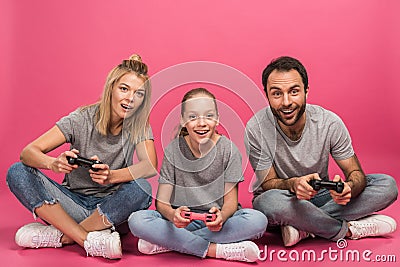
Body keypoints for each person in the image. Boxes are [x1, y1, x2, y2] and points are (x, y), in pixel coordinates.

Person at [6, 54, 157, 259]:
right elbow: (28, 153)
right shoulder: (81, 118)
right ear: (111, 88)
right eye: (124, 89)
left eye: (138, 94)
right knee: (17, 171)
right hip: (70, 204)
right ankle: (88, 238)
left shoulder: (138, 125)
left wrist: (111, 176)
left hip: (110, 210)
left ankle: (63, 236)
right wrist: (54, 163)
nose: (130, 98)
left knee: (143, 188)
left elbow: (149, 166)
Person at [245, 56, 398, 247]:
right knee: (267, 203)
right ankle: (348, 229)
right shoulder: (255, 128)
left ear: (306, 91)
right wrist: (294, 184)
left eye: (294, 92)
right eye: (277, 94)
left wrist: (349, 187)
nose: (286, 102)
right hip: (284, 201)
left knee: (387, 185)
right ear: (266, 95)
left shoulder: (329, 122)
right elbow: (267, 184)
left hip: (321, 197)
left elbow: (356, 173)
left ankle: (304, 227)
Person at [128, 88, 267, 262]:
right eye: (193, 117)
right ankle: (214, 250)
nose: (201, 123)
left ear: (217, 119)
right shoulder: (174, 150)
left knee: (258, 220)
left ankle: (169, 243)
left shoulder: (229, 151)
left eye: (209, 116)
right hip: (181, 223)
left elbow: (231, 203)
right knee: (137, 220)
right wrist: (173, 215)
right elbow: (161, 203)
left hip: (216, 224)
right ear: (183, 120)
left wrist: (221, 217)